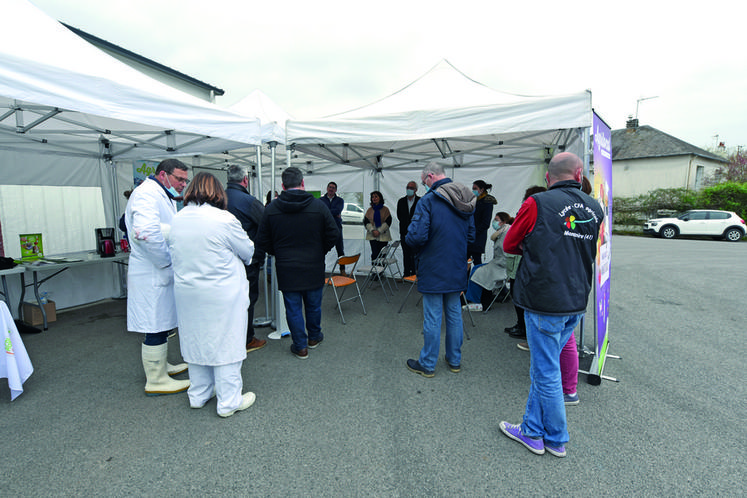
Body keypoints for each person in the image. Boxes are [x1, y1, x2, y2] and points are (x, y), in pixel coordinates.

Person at [499, 152, 604, 458]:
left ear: (548, 177)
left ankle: (556, 437)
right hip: (575, 298)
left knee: (545, 372)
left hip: (545, 299)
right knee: (544, 369)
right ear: (579, 173)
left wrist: (535, 246)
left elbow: (509, 244)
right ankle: (532, 430)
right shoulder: (595, 208)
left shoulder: (537, 203)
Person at [168, 172, 256, 417]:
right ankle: (229, 401)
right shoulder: (223, 219)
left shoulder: (178, 218)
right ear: (218, 191)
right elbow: (247, 250)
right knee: (226, 343)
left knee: (195, 340)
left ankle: (199, 393)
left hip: (188, 293)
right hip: (221, 294)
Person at [255, 167, 339, 359]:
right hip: (313, 265)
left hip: (286, 267)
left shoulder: (271, 209)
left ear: (283, 186)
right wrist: (320, 251)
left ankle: (300, 346)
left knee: (292, 308)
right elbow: (333, 234)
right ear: (302, 183)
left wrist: (277, 252)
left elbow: (262, 240)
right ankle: (314, 337)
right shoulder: (319, 206)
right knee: (314, 305)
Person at [125, 158, 191, 396]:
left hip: (158, 270)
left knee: (161, 324)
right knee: (154, 325)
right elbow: (145, 233)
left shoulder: (160, 193)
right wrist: (167, 261)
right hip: (152, 271)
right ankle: (156, 380)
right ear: (163, 175)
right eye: (179, 179)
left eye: (185, 179)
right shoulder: (146, 194)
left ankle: (162, 367)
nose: (183, 184)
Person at [405, 162, 475, 377]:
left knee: (433, 316)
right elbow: (472, 236)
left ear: (431, 176)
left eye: (423, 180)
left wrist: (411, 240)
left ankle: (427, 364)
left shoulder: (428, 201)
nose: (423, 184)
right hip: (456, 265)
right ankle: (454, 360)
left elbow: (416, 236)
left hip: (433, 265)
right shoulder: (466, 198)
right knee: (454, 314)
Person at [225, 165, 267, 354]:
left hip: (223, 260)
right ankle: (247, 339)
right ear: (245, 180)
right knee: (248, 300)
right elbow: (266, 226)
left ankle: (229, 337)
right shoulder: (249, 201)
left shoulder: (217, 199)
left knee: (227, 300)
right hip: (247, 259)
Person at [504, 186, 547, 340]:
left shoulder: (531, 208)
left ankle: (523, 327)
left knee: (519, 294)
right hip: (523, 260)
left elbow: (510, 242)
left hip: (522, 259)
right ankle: (521, 325)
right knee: (517, 293)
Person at [468, 211, 513, 306]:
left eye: (496, 220)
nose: (494, 222)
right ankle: (474, 297)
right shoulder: (502, 232)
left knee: (477, 271)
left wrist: (496, 263)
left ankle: (475, 300)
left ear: (503, 222)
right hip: (499, 263)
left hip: (501, 266)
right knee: (476, 269)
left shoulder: (505, 234)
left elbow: (506, 255)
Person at [467, 180, 497, 266]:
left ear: (482, 189)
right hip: (469, 237)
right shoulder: (474, 200)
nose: (473, 190)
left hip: (478, 237)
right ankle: (465, 278)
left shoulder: (487, 203)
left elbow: (485, 223)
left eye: (475, 188)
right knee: (464, 261)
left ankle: (476, 279)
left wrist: (474, 232)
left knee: (476, 261)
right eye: (473, 188)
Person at [320, 181, 346, 275]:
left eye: (333, 188)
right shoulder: (320, 200)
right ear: (327, 188)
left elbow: (338, 210)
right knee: (322, 250)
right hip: (324, 229)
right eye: (330, 187)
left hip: (337, 228)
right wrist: (334, 213)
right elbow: (321, 212)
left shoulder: (340, 200)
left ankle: (342, 270)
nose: (331, 189)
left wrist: (326, 212)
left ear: (336, 190)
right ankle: (320, 271)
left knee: (340, 249)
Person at [396, 181, 420, 277]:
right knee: (406, 254)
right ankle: (406, 274)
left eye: (411, 187)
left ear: (416, 190)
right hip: (404, 232)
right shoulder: (401, 201)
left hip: (416, 233)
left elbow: (421, 216)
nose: (409, 189)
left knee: (415, 254)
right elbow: (400, 216)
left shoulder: (420, 201)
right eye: (408, 187)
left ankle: (414, 274)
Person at [364, 191, 392, 261]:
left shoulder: (385, 209)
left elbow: (388, 221)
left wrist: (379, 231)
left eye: (376, 196)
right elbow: (366, 221)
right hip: (372, 236)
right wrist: (373, 230)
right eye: (372, 197)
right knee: (374, 254)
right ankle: (374, 271)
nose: (374, 198)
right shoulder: (369, 210)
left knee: (382, 255)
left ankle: (380, 271)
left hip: (383, 236)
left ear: (380, 198)